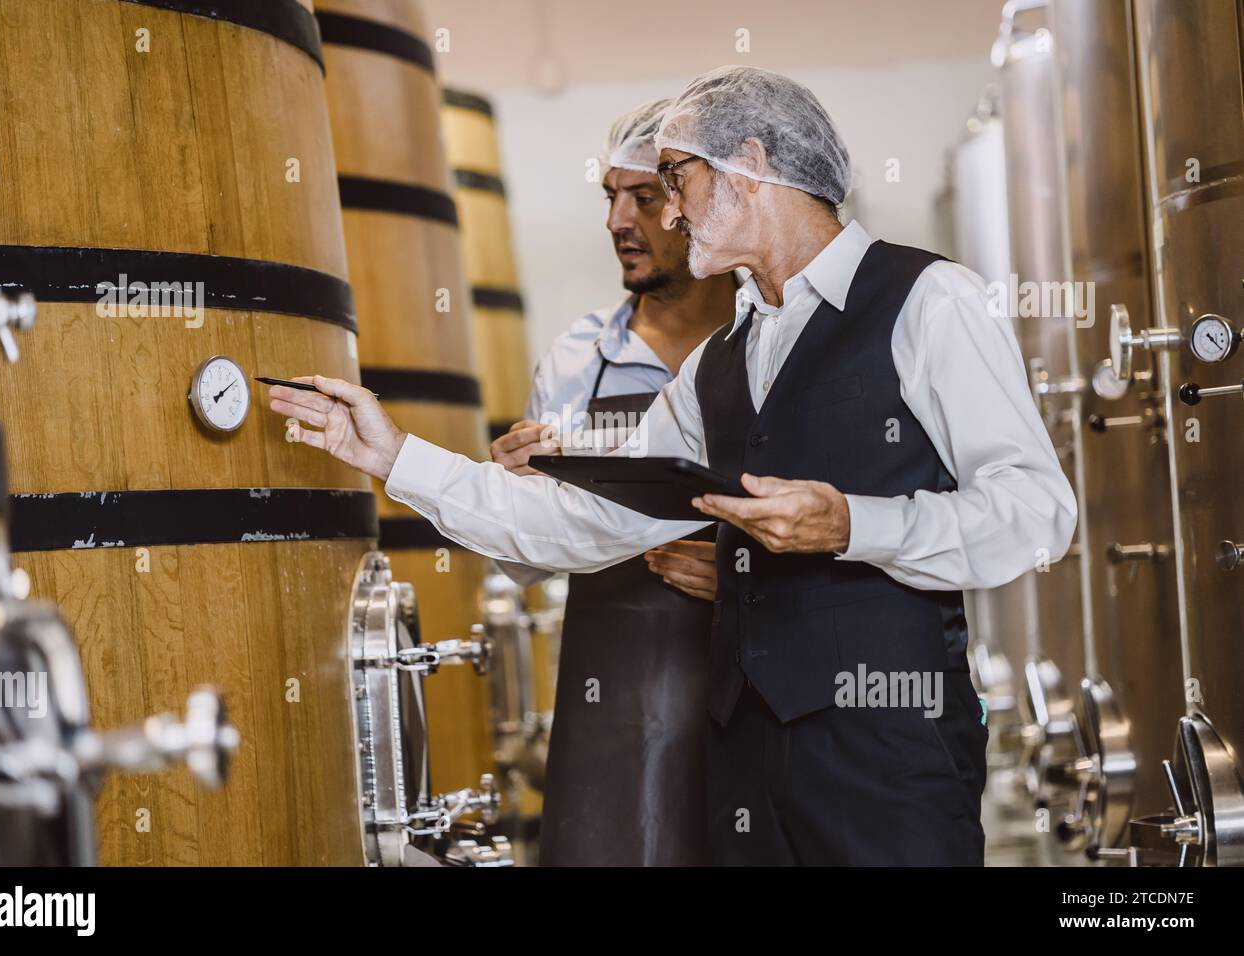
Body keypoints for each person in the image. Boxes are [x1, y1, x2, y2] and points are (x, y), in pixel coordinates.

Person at [268, 66, 1077, 866]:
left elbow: (1039, 514)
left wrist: (851, 524)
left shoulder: (932, 299)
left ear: (752, 165)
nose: (670, 210)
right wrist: (394, 455)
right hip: (743, 757)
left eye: (675, 179)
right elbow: (580, 521)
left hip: (890, 756)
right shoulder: (718, 363)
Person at [488, 100, 737, 866]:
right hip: (613, 710)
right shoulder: (576, 359)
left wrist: (756, 572)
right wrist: (514, 489)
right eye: (609, 197)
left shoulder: (770, 345)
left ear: (700, 203)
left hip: (754, 695)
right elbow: (525, 562)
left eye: (645, 198)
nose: (616, 222)